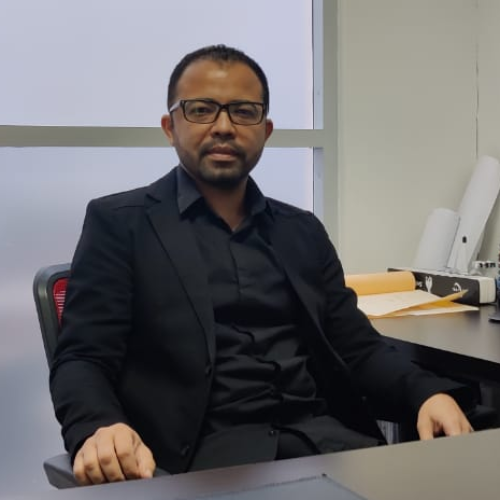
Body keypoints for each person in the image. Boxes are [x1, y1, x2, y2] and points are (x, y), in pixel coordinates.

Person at [50, 44, 475, 486]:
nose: (223, 127)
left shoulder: (301, 231)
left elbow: (357, 347)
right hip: (208, 463)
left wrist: (427, 394)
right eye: (201, 110)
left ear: (266, 130)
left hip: (330, 445)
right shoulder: (121, 224)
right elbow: (83, 357)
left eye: (243, 112)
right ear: (169, 127)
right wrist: (99, 426)